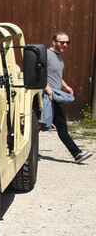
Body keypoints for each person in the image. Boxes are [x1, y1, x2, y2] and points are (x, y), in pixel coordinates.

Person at [43, 32, 91, 163]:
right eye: (62, 42)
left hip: (56, 95)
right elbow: (39, 74)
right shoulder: (47, 55)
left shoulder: (59, 57)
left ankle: (77, 154)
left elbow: (56, 75)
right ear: (54, 42)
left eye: (67, 43)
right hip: (47, 97)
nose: (65, 45)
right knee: (38, 125)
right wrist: (49, 91)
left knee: (59, 126)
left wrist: (65, 86)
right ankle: (77, 154)